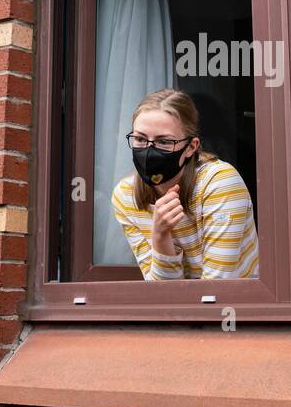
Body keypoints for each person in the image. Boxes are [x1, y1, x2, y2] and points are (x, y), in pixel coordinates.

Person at [111, 88, 260, 280]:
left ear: (191, 147)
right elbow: (162, 296)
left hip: (237, 307)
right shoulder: (125, 195)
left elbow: (220, 286)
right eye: (140, 139)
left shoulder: (220, 183)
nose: (149, 150)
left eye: (164, 141)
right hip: (178, 309)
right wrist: (160, 236)